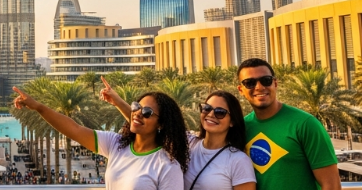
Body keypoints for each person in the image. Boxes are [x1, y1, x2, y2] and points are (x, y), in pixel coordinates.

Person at [13, 85, 188, 190]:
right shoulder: (116, 144)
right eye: (136, 107)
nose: (137, 114)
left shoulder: (167, 166)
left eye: (147, 112)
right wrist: (38, 107)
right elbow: (73, 129)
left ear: (161, 124)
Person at [101, 76, 255, 189]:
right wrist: (117, 101)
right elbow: (145, 121)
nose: (211, 115)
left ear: (233, 121)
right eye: (207, 108)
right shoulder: (189, 142)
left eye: (220, 112)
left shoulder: (238, 160)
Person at [237, 58, 340, 190]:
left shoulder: (305, 124)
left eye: (266, 80)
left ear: (275, 83)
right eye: (249, 83)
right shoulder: (242, 128)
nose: (259, 87)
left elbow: (331, 185)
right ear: (241, 89)